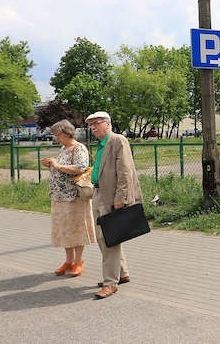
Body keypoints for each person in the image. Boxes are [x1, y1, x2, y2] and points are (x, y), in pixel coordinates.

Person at [86, 111, 143, 300]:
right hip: (98, 193)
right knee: (109, 236)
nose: (92, 127)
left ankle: (110, 283)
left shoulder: (118, 141)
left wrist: (121, 198)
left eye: (96, 123)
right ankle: (122, 273)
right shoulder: (101, 145)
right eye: (90, 125)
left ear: (108, 124)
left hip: (112, 197)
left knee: (107, 239)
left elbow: (125, 171)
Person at [40, 119, 95, 278]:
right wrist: (51, 164)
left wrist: (57, 166)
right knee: (64, 229)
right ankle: (68, 261)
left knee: (76, 229)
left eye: (57, 134)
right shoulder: (63, 148)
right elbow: (60, 166)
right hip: (59, 196)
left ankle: (78, 261)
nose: (55, 137)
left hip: (74, 197)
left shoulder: (79, 148)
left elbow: (80, 168)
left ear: (65, 133)